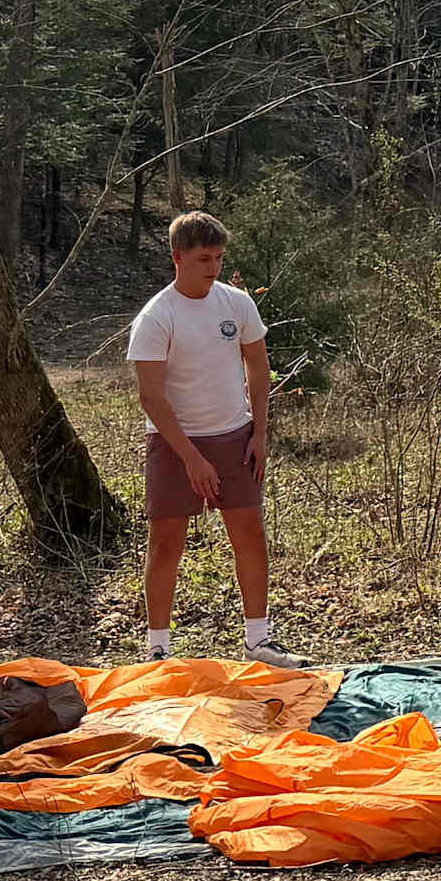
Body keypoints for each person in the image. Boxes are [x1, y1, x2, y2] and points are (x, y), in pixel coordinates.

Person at [129, 210, 285, 661]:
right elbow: (152, 397)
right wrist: (191, 458)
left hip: (234, 435)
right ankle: (158, 650)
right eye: (203, 259)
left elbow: (258, 365)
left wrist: (259, 431)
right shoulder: (157, 316)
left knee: (250, 535)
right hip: (174, 443)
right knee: (165, 545)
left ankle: (258, 641)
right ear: (178, 257)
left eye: (218, 257)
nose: (213, 267)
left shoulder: (236, 303)